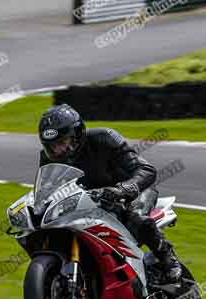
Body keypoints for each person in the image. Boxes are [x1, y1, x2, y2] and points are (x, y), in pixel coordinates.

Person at [38, 104, 182, 283]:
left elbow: (146, 169)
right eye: (52, 147)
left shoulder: (104, 138)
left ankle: (168, 259)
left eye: (63, 142)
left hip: (132, 193)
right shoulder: (47, 159)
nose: (58, 150)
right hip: (91, 203)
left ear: (77, 134)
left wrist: (123, 189)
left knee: (137, 217)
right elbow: (47, 191)